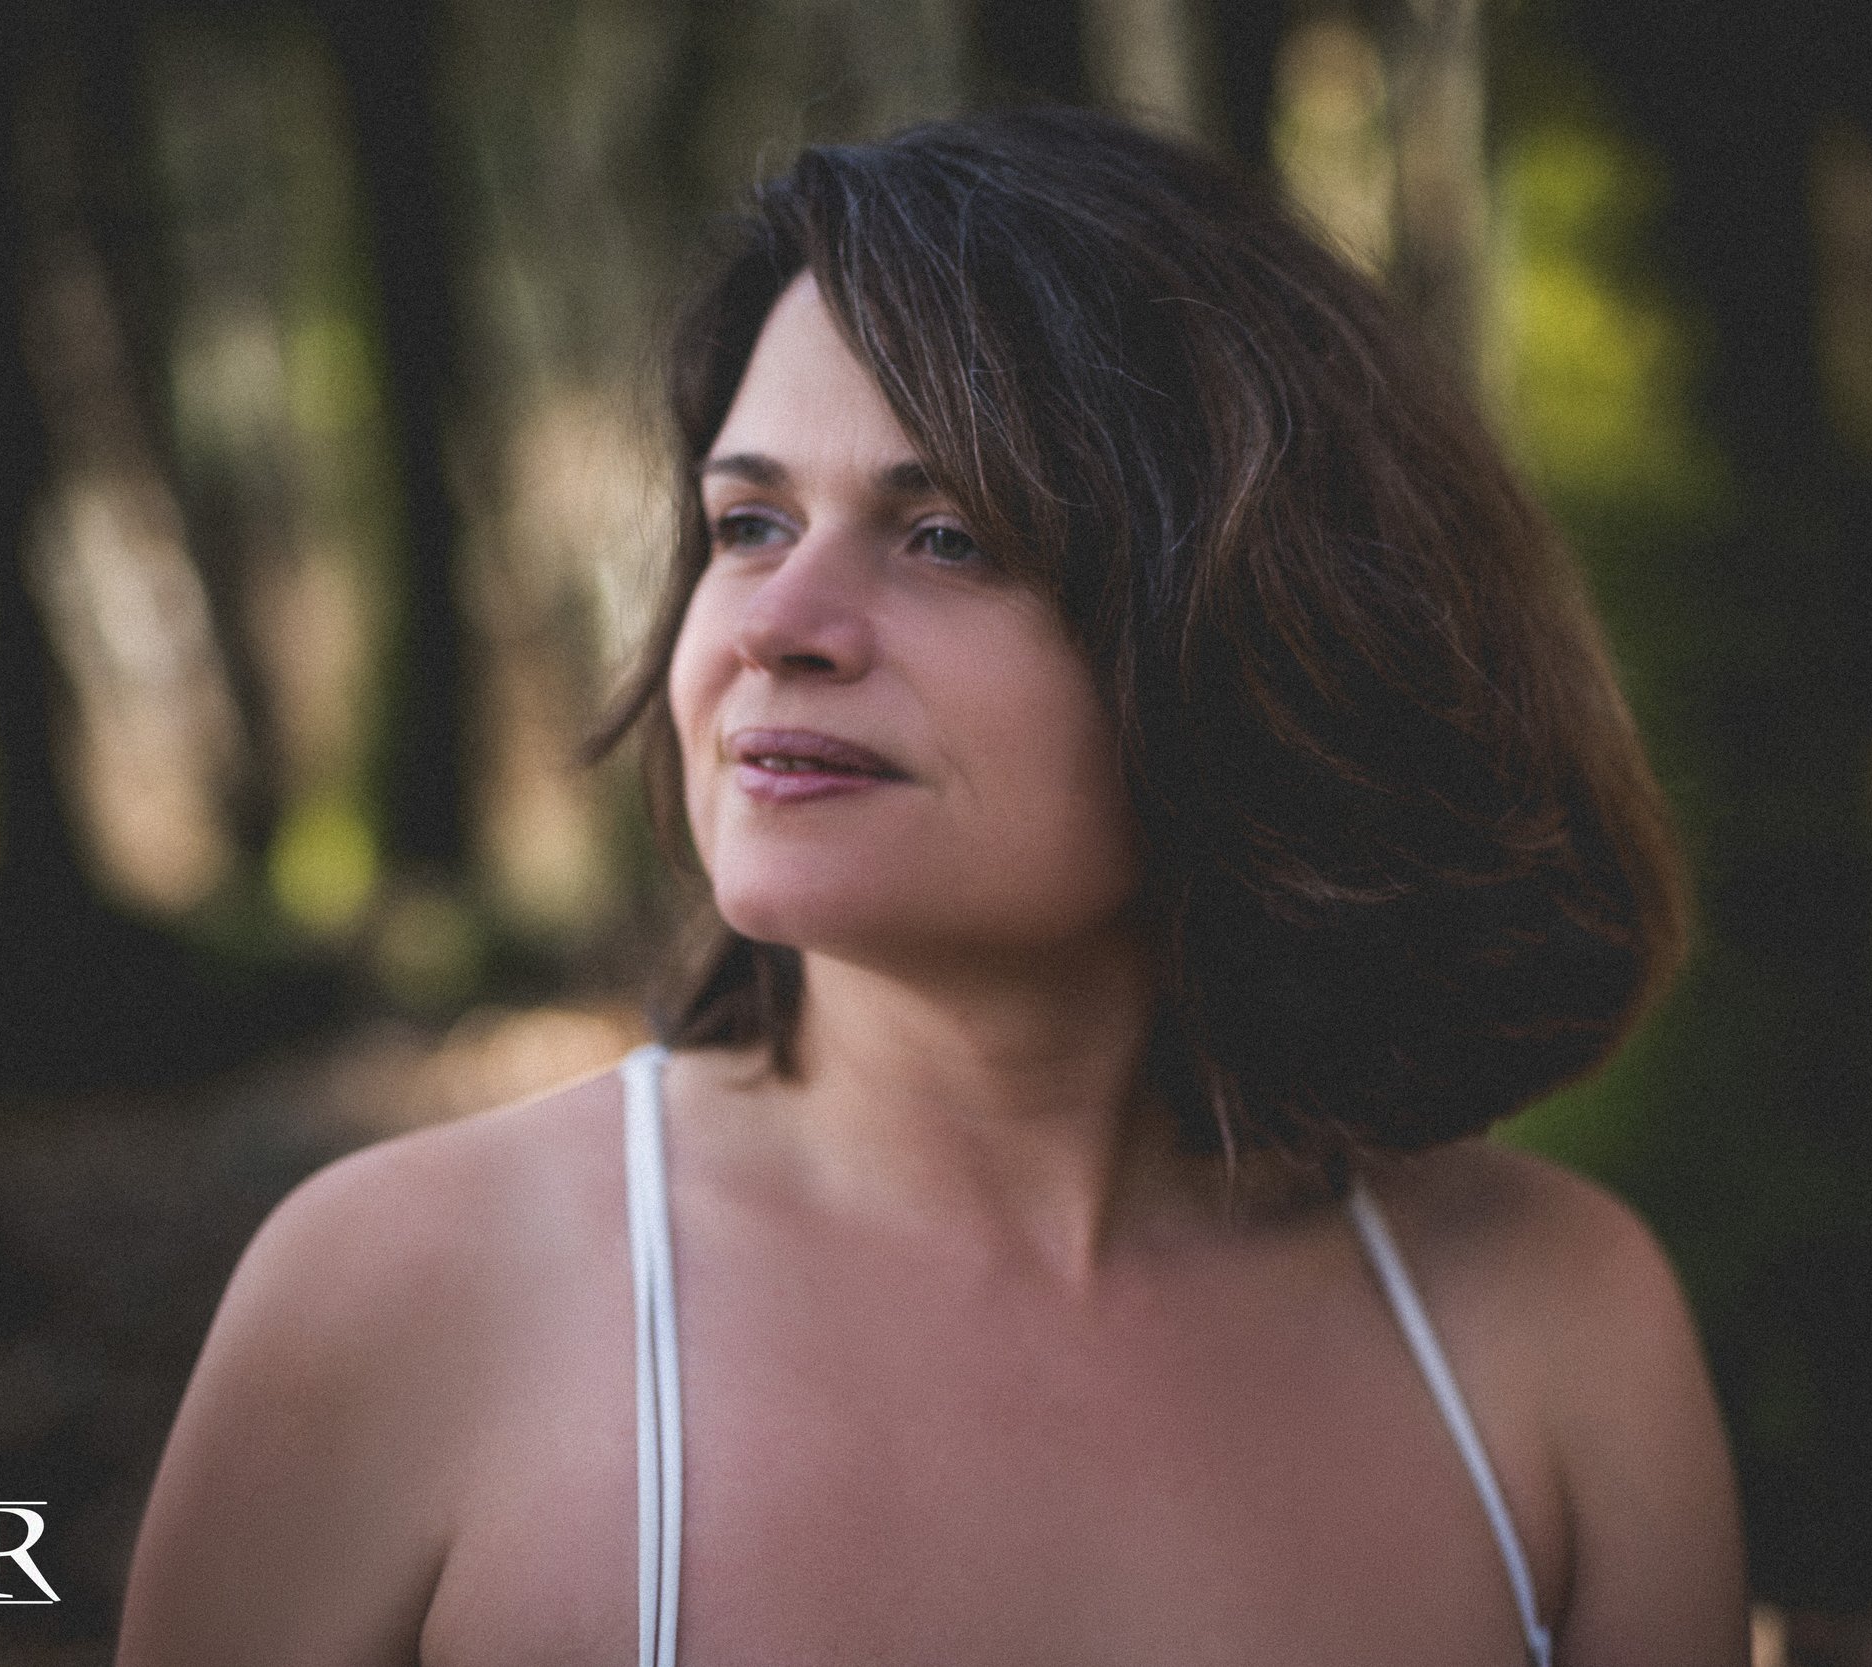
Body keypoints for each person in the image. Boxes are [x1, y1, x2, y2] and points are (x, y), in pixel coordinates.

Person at [115, 106, 1746, 1666]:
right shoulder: (403, 1297)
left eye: (947, 536)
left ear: (1259, 635)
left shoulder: (1548, 1322)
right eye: (748, 523)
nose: (778, 624)